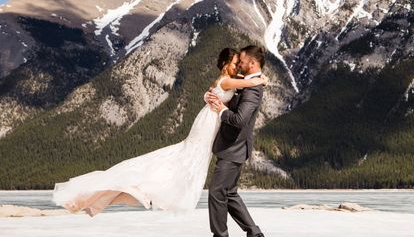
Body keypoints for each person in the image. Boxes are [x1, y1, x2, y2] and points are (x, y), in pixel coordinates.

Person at [52, 48, 267, 217]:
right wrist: (262, 79)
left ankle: (123, 191)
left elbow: (223, 91)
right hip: (208, 125)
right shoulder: (228, 80)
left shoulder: (222, 81)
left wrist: (211, 97)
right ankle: (147, 188)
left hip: (209, 122)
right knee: (183, 158)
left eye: (240, 63)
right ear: (225, 64)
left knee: (182, 159)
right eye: (235, 63)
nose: (239, 66)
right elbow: (250, 82)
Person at [204, 45, 268, 237]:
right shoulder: (248, 81)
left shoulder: (253, 88)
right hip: (230, 146)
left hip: (235, 147)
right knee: (229, 193)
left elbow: (240, 120)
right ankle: (254, 235)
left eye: (241, 62)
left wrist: (221, 110)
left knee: (216, 192)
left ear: (252, 63)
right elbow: (227, 85)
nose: (239, 65)